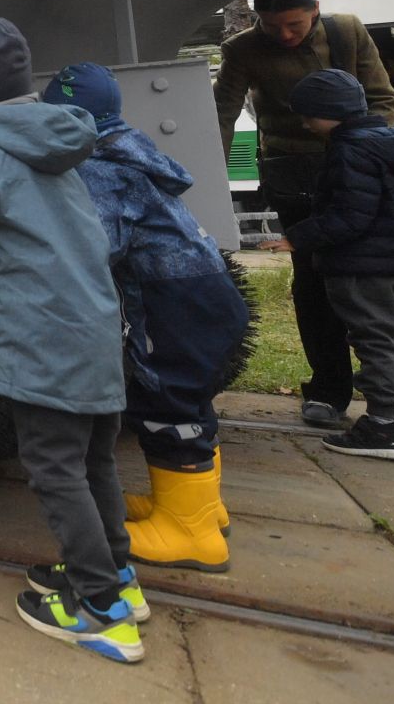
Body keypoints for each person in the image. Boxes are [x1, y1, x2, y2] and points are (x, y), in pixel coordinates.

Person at [0, 19, 144, 665]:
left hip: (42, 343)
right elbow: (33, 229)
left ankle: (97, 611)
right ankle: (117, 577)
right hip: (93, 329)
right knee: (93, 460)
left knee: (52, 469)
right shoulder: (58, 139)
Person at [213, 0, 394, 439]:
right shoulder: (242, 49)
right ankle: (328, 390)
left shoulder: (347, 30)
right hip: (294, 175)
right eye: (272, 27)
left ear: (313, 9)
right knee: (314, 283)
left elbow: (383, 97)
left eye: (293, 25)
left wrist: (358, 149)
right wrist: (212, 172)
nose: (285, 36)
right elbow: (223, 114)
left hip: (362, 166)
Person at [43, 63, 250, 573]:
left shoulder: (97, 168)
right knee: (190, 398)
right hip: (206, 295)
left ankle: (191, 532)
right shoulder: (129, 149)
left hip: (170, 303)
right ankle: (196, 504)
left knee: (166, 402)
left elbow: (96, 246)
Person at [268, 69, 394, 458]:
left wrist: (296, 238)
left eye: (310, 115)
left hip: (362, 267)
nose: (305, 124)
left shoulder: (349, 150)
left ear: (332, 113)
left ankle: (382, 425)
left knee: (375, 341)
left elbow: (349, 216)